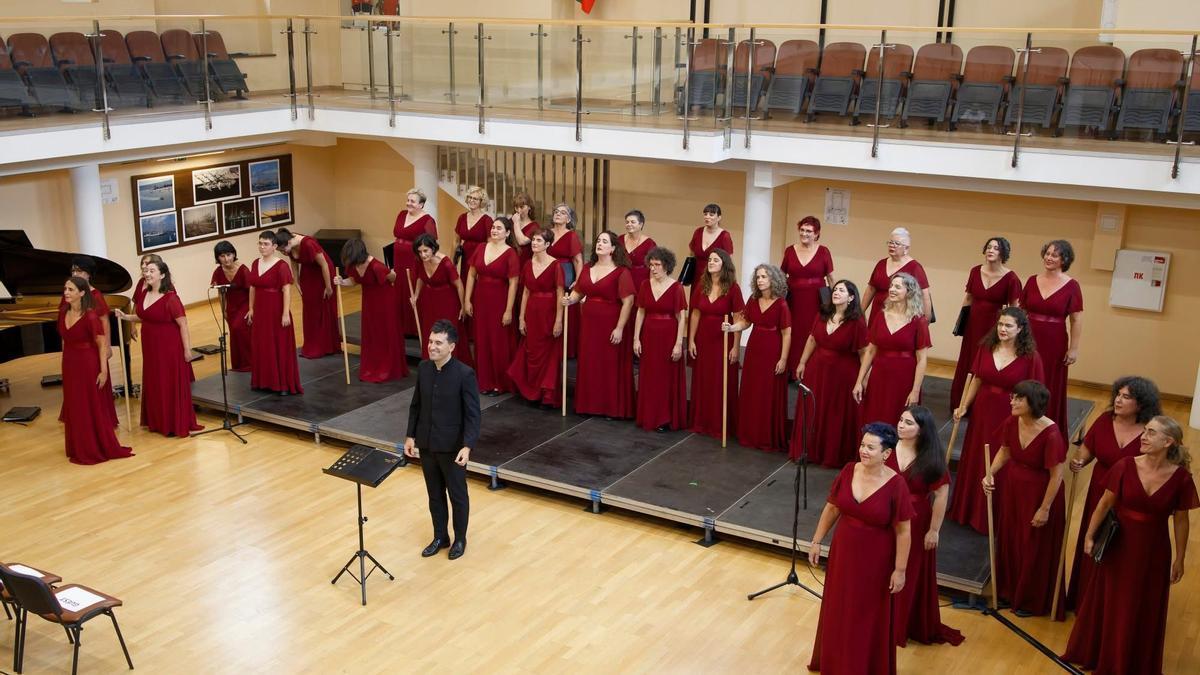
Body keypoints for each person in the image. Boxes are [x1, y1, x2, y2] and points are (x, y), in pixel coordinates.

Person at [1061, 415, 1197, 674]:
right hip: (1118, 546)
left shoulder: (1181, 479)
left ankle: (1130, 662)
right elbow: (1104, 504)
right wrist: (1089, 535)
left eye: (1151, 433)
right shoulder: (1124, 466)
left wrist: (1180, 558)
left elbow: (1181, 521)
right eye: (1144, 431)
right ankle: (1102, 655)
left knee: (1141, 605)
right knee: (1111, 601)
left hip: (1153, 551)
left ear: (1168, 442)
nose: (1143, 436)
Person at [808, 422, 913, 675]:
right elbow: (833, 507)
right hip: (843, 552)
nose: (864, 451)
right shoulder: (847, 470)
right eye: (863, 445)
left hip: (875, 560)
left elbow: (904, 531)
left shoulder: (897, 484)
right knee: (839, 607)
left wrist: (900, 570)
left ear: (886, 454)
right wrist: (816, 540)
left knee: (865, 614)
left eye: (871, 447)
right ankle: (835, 662)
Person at [1065, 376, 1161, 611]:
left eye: (1126, 397)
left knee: (1120, 550)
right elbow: (1088, 449)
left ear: (1141, 404)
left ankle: (1113, 605)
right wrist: (1079, 462)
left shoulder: (1150, 430)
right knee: (1095, 540)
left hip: (1130, 497)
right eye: (1118, 394)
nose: (1118, 400)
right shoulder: (1104, 420)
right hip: (1100, 490)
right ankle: (1086, 600)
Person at [947, 307, 1045, 533]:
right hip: (982, 412)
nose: (1002, 329)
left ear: (1020, 329)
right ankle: (969, 510)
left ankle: (996, 516)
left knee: (1002, 458)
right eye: (1000, 324)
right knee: (976, 457)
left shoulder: (1030, 357)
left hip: (1011, 414)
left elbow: (1035, 392)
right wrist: (964, 406)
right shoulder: (986, 347)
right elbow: (977, 379)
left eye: (1008, 325)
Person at [981, 379, 1066, 618]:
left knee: (1034, 545)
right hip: (1014, 489)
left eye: (1019, 398)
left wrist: (1045, 508)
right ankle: (1009, 591)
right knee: (1011, 538)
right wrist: (990, 474)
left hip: (1040, 494)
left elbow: (1056, 476)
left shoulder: (1051, 435)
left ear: (1034, 403)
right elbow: (1005, 450)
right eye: (1013, 396)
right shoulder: (1012, 421)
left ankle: (1031, 599)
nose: (1013, 401)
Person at [404, 320, 481, 561]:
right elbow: (416, 405)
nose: (432, 346)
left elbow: (472, 414)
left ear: (452, 347)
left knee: (457, 496)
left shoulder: (464, 374)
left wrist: (467, 446)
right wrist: (410, 435)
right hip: (427, 444)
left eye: (438, 343)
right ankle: (440, 536)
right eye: (430, 341)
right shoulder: (425, 369)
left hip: (453, 447)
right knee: (434, 494)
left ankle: (460, 539)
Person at [889, 406, 963, 647]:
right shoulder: (887, 447)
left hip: (915, 520)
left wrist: (934, 530)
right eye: (900, 420)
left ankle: (899, 626)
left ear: (922, 430)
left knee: (908, 571)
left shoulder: (930, 457)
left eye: (908, 422)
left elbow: (942, 494)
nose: (901, 425)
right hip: (885, 516)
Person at [115, 260, 202, 437]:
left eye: (151, 271)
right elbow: (145, 317)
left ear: (162, 275)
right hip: (150, 347)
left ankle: (171, 423)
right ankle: (157, 420)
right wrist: (126, 317)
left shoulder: (171, 298)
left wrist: (187, 351)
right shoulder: (144, 294)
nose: (147, 274)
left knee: (167, 382)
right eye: (146, 271)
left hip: (169, 347)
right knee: (155, 381)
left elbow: (183, 325)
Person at [58, 276, 134, 465]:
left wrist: (103, 371)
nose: (66, 292)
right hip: (70, 363)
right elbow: (64, 340)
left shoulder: (90, 315)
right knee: (74, 404)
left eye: (71, 289)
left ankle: (93, 446)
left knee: (88, 404)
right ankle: (78, 445)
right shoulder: (62, 313)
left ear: (82, 293)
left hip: (88, 363)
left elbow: (101, 344)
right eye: (65, 289)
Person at [793, 280, 867, 466]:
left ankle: (832, 454)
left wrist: (862, 380)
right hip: (817, 369)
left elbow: (864, 353)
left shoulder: (856, 321)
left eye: (841, 290)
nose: (836, 292)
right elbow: (812, 339)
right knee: (813, 407)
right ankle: (809, 450)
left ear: (851, 297)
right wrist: (802, 362)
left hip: (842, 375)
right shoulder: (822, 314)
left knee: (834, 412)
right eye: (835, 289)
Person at [564, 231, 636, 419]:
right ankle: (588, 404)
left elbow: (628, 302)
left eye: (604, 241)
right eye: (598, 241)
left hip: (610, 323)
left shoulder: (622, 272)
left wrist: (619, 328)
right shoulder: (588, 268)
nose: (599, 244)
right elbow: (579, 292)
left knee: (609, 365)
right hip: (589, 325)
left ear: (613, 248)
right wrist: (569, 300)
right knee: (590, 363)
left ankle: (610, 407)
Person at [1020, 239, 1083, 442]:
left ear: (1064, 259)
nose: (1049, 257)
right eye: (1047, 253)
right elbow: (1021, 313)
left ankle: (1046, 429)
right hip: (1029, 338)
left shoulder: (1072, 286)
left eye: (1055, 255)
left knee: (1049, 383)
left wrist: (1073, 349)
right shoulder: (1031, 281)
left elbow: (1076, 319)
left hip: (1055, 341)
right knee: (1026, 378)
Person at [724, 264, 791, 452]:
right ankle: (749, 433)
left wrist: (783, 359)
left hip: (773, 349)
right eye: (758, 277)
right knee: (752, 389)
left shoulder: (781, 304)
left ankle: (764, 435)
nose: (760, 280)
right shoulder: (753, 300)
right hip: (754, 348)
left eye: (764, 277)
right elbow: (745, 322)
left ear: (773, 280)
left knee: (767, 391)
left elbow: (787, 334)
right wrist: (731, 328)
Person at [949, 237, 1022, 408]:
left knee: (985, 360)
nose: (990, 250)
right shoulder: (975, 271)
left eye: (995, 248)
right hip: (973, 323)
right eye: (989, 247)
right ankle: (960, 402)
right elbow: (968, 298)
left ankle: (977, 404)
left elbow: (1014, 308)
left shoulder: (1011, 278)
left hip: (994, 325)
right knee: (967, 359)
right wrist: (961, 324)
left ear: (1003, 253)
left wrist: (1011, 333)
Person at [855, 273, 931, 436]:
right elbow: (870, 350)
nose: (892, 289)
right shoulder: (881, 315)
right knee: (875, 414)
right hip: (879, 375)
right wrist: (859, 380)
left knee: (897, 418)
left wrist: (915, 390)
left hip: (903, 378)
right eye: (891, 286)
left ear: (909, 292)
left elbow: (922, 359)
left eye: (897, 287)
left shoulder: (919, 320)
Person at [334, 238, 408, 382]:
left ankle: (388, 367)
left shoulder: (376, 266)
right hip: (369, 301)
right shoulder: (354, 265)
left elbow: (392, 278)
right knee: (372, 332)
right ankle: (373, 365)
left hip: (385, 301)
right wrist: (342, 281)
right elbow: (354, 280)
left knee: (385, 332)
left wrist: (393, 272)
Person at [688, 249, 743, 439]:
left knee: (721, 381)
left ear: (724, 264)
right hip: (703, 338)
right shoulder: (702, 285)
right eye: (709, 259)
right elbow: (695, 313)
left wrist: (736, 346)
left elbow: (738, 319)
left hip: (723, 340)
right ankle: (701, 422)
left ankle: (720, 424)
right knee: (703, 379)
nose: (710, 262)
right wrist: (691, 339)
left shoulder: (733, 288)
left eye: (715, 260)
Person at [58, 255, 119, 427]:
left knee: (95, 386)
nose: (75, 273)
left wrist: (107, 346)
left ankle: (100, 419)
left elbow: (104, 321)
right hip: (75, 349)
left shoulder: (95, 295)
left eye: (79, 270)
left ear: (88, 274)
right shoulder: (69, 294)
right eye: (73, 270)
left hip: (91, 347)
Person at [506, 228, 564, 408]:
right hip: (532, 312)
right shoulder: (528, 264)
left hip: (549, 313)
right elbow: (525, 293)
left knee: (548, 355)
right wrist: (522, 318)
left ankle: (546, 395)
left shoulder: (556, 265)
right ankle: (531, 392)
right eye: (533, 240)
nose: (534, 243)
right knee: (530, 351)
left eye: (538, 240)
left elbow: (560, 293)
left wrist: (558, 320)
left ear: (547, 244)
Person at [632, 246, 688, 432]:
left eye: (657, 265)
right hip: (649, 335)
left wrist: (679, 343)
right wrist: (636, 339)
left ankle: (664, 418)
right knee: (650, 376)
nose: (653, 268)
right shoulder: (645, 285)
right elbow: (640, 312)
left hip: (668, 336)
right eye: (651, 264)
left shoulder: (676, 288)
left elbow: (681, 318)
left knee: (665, 377)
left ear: (667, 266)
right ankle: (649, 415)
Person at [464, 217, 520, 395]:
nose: (494, 230)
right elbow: (471, 275)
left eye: (499, 228)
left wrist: (508, 310)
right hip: (481, 300)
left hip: (500, 300)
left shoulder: (511, 253)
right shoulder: (481, 247)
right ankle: (484, 380)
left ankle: (499, 382)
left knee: (498, 341)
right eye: (493, 227)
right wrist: (467, 300)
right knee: (482, 339)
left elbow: (513, 283)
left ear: (508, 233)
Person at [247, 231, 303, 395]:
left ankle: (282, 383)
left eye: (265, 244)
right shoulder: (255, 263)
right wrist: (251, 308)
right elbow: (252, 287)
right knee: (262, 345)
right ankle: (263, 381)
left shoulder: (281, 266)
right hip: (261, 311)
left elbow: (286, 289)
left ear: (274, 246)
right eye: (260, 243)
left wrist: (285, 313)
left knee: (278, 346)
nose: (262, 247)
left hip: (276, 310)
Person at [781, 216, 834, 378]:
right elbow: (781, 275)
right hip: (793, 299)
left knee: (812, 332)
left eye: (809, 231)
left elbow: (831, 278)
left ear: (817, 234)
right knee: (793, 331)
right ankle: (790, 370)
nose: (804, 233)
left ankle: (809, 371)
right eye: (802, 230)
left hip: (816, 299)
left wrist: (835, 303)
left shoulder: (824, 251)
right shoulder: (790, 250)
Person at [411, 234, 473, 367]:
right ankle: (432, 364)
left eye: (425, 251)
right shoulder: (420, 261)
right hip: (428, 300)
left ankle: (450, 366)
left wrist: (462, 306)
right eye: (420, 251)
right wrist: (416, 295)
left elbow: (459, 284)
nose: (423, 254)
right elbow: (421, 278)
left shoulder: (446, 263)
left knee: (446, 333)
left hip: (447, 301)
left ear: (433, 248)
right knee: (430, 331)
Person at [279, 228, 340, 359]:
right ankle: (312, 344)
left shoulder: (308, 244)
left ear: (289, 242)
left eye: (283, 250)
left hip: (322, 273)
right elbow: (294, 263)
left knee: (322, 306)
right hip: (308, 273)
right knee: (310, 308)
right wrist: (296, 281)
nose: (283, 253)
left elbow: (324, 265)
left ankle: (326, 345)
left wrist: (328, 286)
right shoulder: (289, 246)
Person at [861, 227, 932, 322]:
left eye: (897, 243)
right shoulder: (881, 264)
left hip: (900, 317)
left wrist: (925, 321)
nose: (892, 245)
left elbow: (925, 296)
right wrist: (860, 312)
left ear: (906, 248)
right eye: (890, 242)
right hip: (877, 314)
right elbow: (871, 289)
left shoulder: (915, 267)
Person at [393, 188, 438, 337]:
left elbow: (432, 244)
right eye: (408, 200)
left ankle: (415, 327)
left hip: (414, 260)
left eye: (412, 201)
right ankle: (402, 326)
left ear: (421, 205)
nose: (409, 203)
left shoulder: (427, 220)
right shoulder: (401, 214)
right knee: (400, 289)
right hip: (398, 260)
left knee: (413, 287)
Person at [547, 203, 583, 358]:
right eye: (556, 211)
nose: (557, 214)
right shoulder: (547, 232)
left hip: (565, 273)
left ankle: (565, 349)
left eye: (562, 213)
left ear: (568, 219)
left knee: (563, 308)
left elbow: (577, 260)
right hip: (547, 270)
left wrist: (579, 281)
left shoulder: (572, 235)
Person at [210, 241, 251, 372]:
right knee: (234, 334)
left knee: (239, 329)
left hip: (245, 303)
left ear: (234, 254)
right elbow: (220, 293)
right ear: (218, 258)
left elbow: (252, 291)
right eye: (222, 256)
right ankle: (238, 365)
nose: (226, 259)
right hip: (231, 307)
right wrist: (224, 310)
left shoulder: (243, 270)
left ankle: (250, 363)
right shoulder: (218, 272)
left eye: (229, 254)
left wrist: (252, 309)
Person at [455, 185, 493, 280]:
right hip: (465, 257)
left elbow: (490, 245)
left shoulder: (487, 220)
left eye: (475, 199)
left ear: (481, 202)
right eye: (470, 197)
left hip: (480, 258)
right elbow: (456, 242)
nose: (472, 200)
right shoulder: (462, 217)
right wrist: (453, 262)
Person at [688, 203, 734, 270]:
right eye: (705, 214)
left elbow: (729, 261)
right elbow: (692, 253)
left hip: (714, 276)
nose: (707, 217)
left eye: (711, 215)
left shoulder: (724, 236)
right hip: (696, 274)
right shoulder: (698, 232)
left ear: (719, 218)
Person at [619, 209, 656, 290]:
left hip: (640, 283)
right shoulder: (619, 239)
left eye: (632, 222)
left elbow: (653, 267)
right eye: (627, 222)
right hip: (620, 280)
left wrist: (651, 287)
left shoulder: (649, 243)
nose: (629, 224)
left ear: (641, 224)